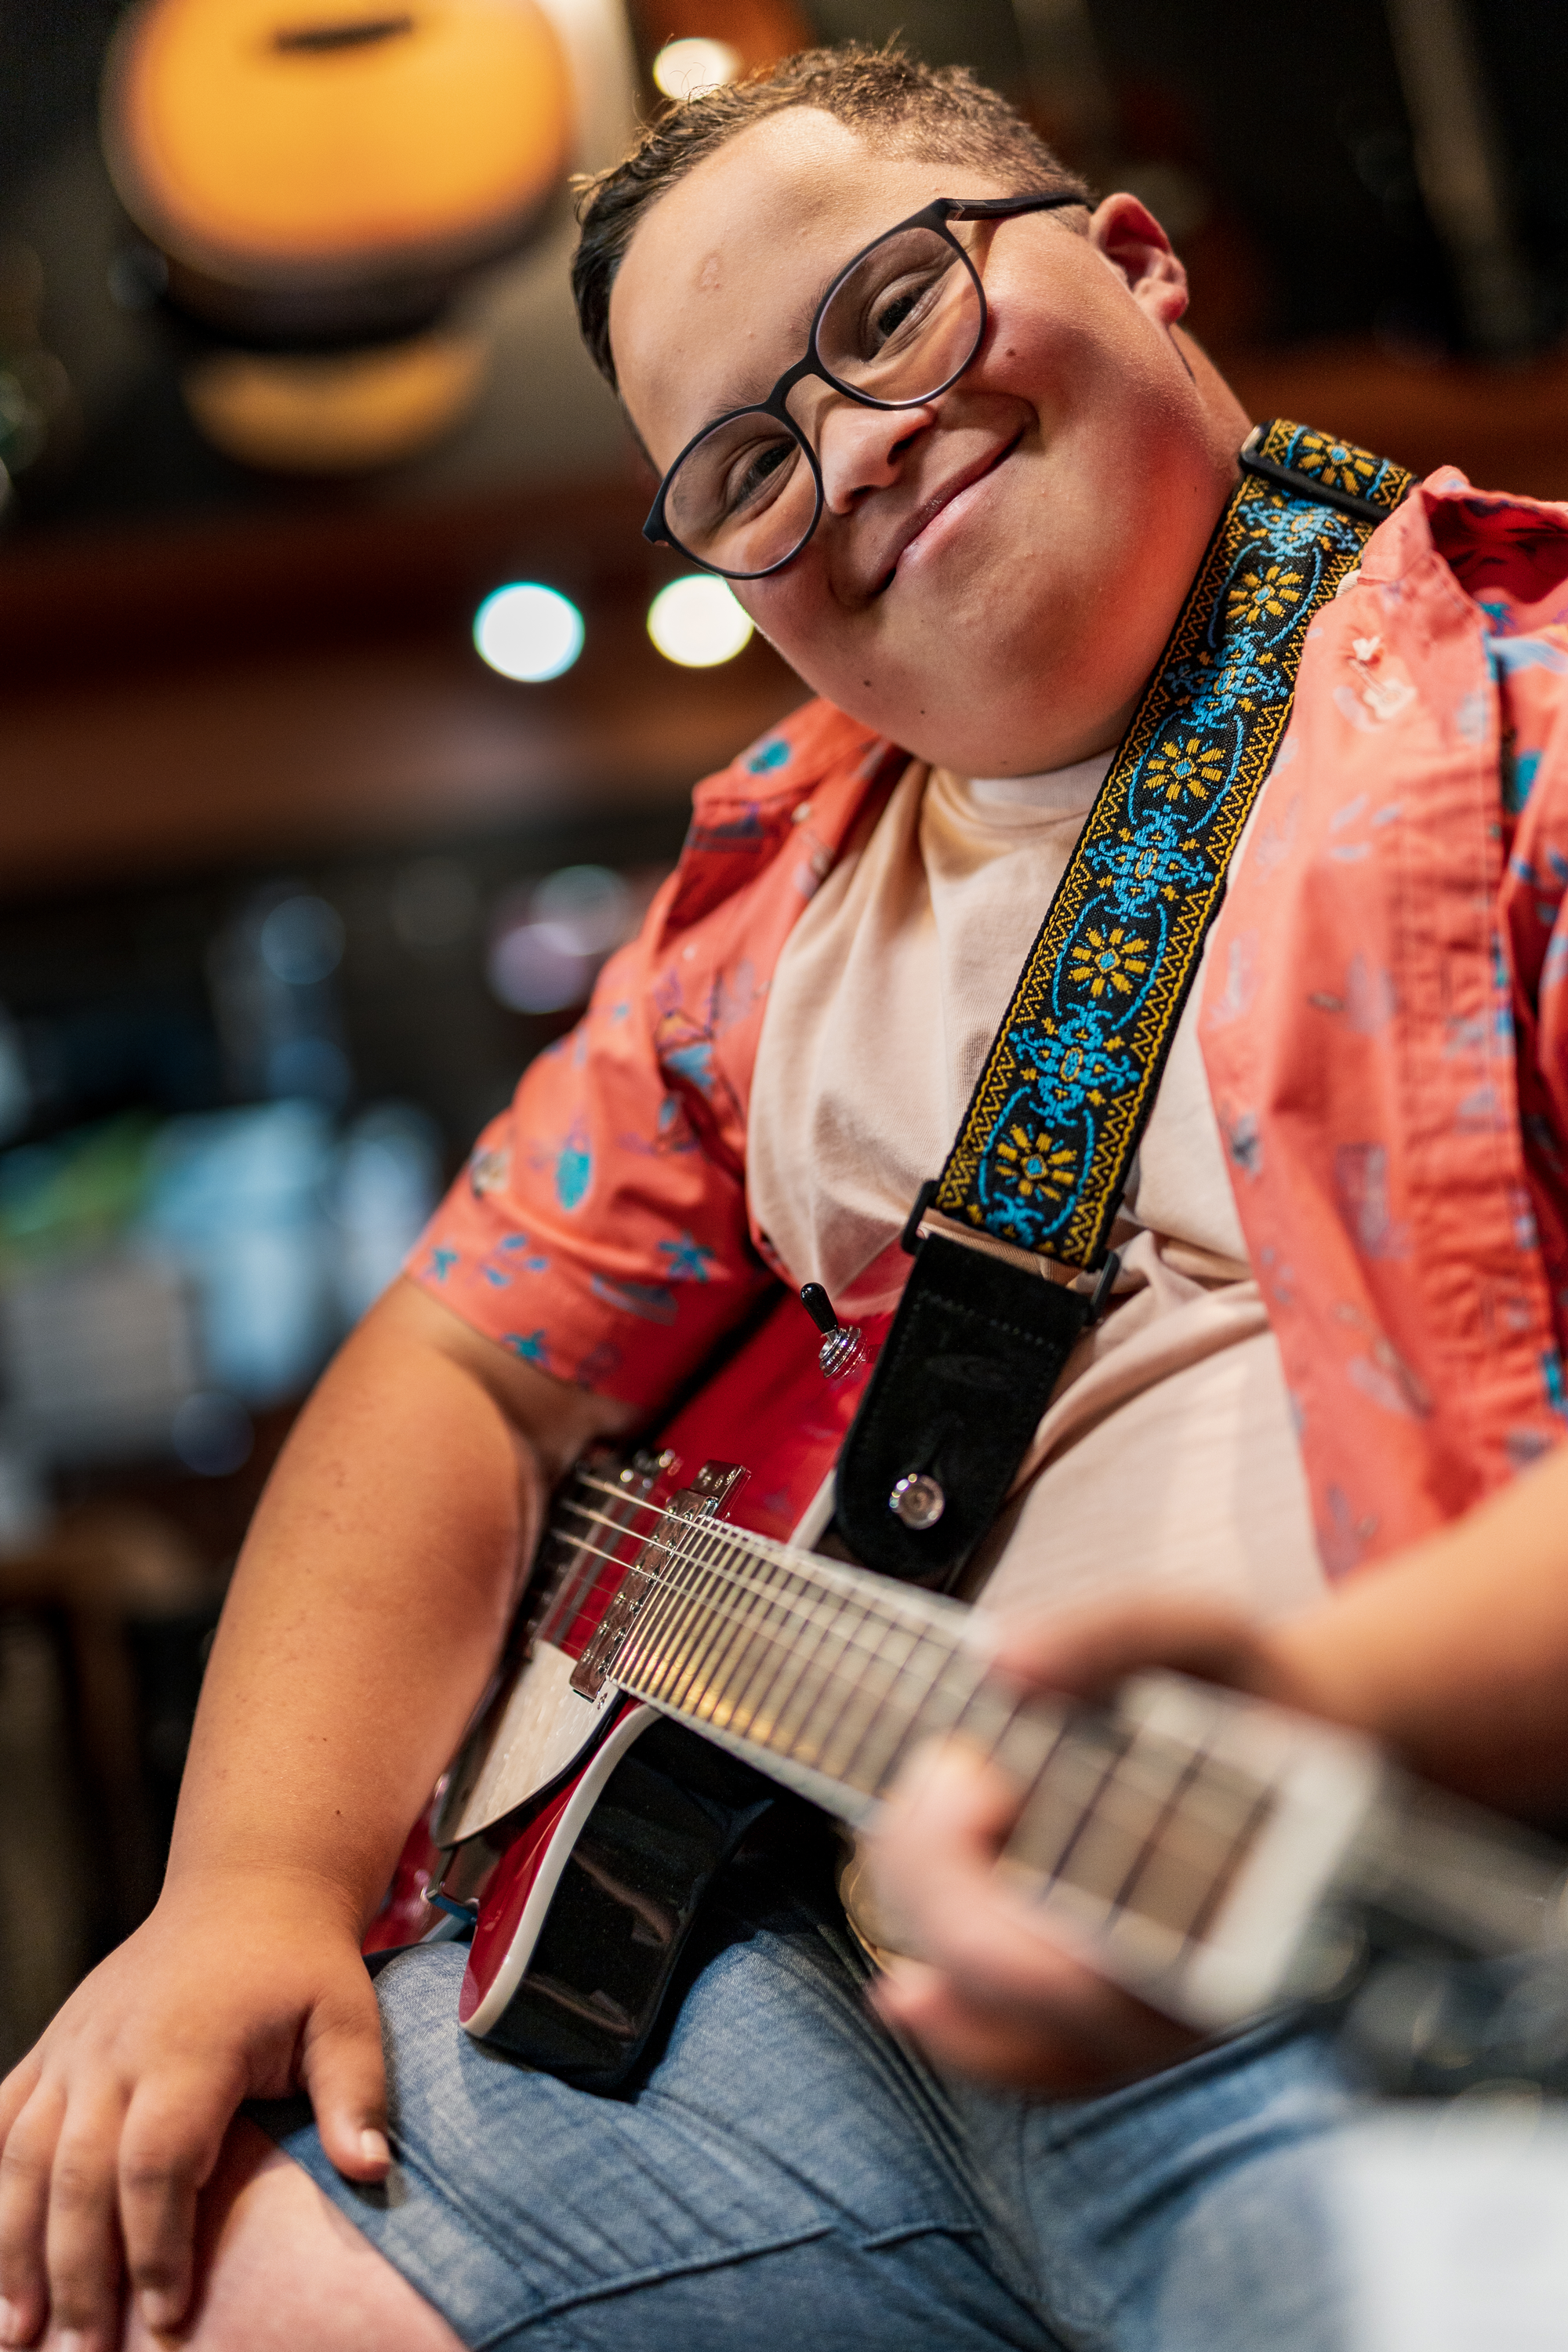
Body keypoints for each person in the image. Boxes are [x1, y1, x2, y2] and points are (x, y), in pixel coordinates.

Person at [4, 40, 1568, 2352]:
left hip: (1355, 1959)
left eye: (891, 310)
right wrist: (248, 1883)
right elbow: (460, 1367)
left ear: (1136, 261)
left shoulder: (1532, 721)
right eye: (743, 465)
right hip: (762, 1965)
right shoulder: (760, 904)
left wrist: (1333, 1707)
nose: (847, 453)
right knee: (144, 2272)